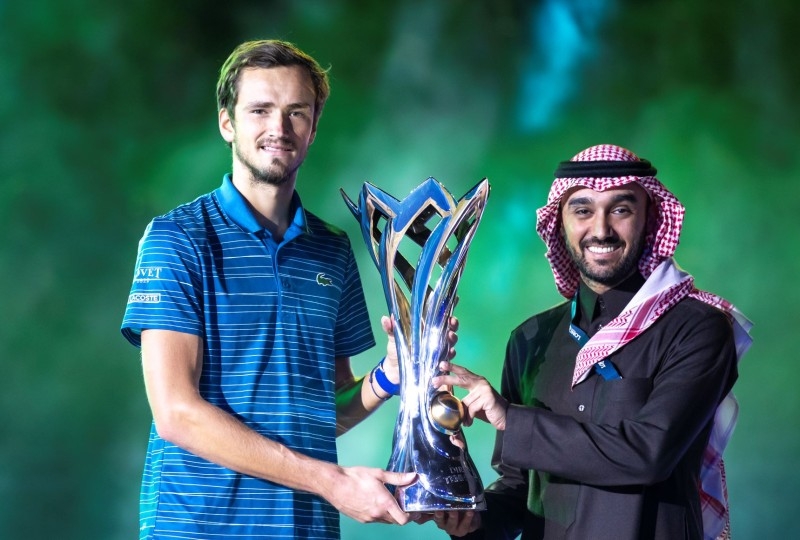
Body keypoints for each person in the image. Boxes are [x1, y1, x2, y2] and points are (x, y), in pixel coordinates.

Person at [120, 39, 445, 539]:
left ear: (314, 128)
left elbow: (325, 414)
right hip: (200, 528)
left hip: (305, 528)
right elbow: (177, 414)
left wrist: (389, 377)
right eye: (260, 110)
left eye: (297, 112)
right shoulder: (177, 239)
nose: (279, 128)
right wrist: (332, 481)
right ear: (227, 122)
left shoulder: (332, 251)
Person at [426, 144, 753, 540]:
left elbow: (648, 453)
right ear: (560, 223)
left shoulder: (696, 328)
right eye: (582, 210)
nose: (600, 230)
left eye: (620, 209)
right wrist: (473, 518)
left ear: (649, 218)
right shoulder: (531, 339)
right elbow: (520, 486)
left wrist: (512, 419)